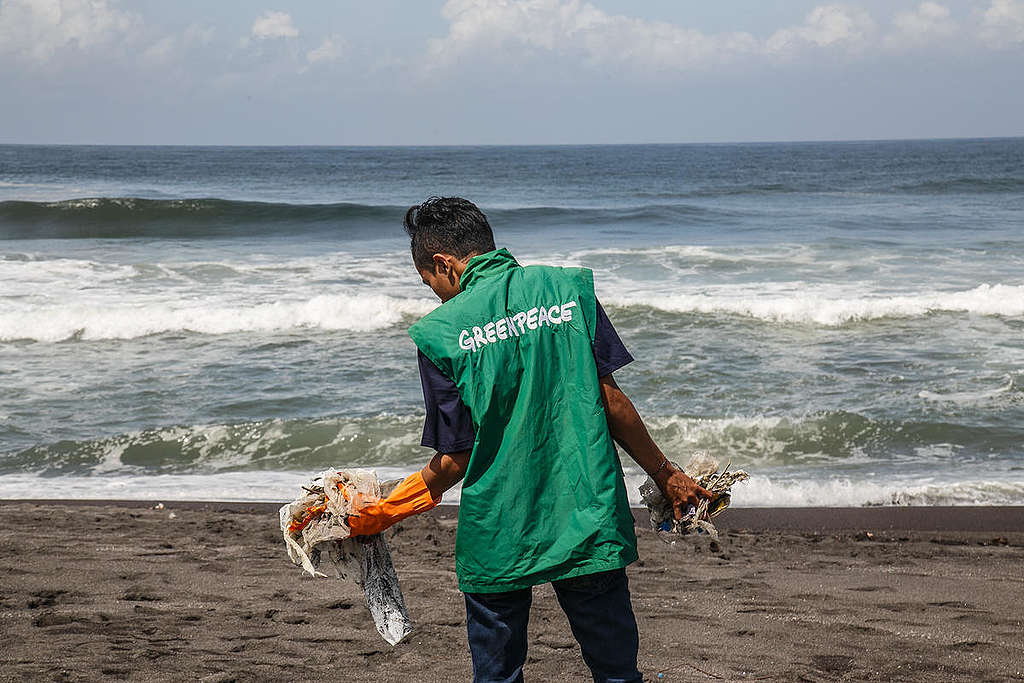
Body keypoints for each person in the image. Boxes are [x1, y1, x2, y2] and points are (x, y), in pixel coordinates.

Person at [347, 196, 710, 683]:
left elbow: (456, 457)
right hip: (586, 513)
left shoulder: (439, 332)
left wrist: (386, 509)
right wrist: (667, 475)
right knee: (617, 669)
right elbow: (612, 403)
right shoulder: (568, 289)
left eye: (431, 284)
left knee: (497, 674)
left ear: (443, 264)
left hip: (499, 526)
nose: (436, 297)